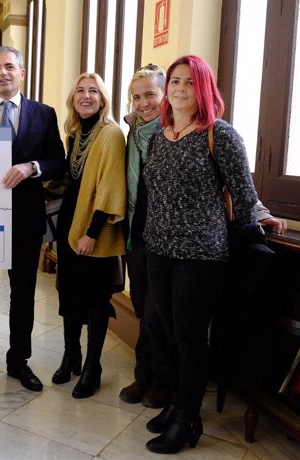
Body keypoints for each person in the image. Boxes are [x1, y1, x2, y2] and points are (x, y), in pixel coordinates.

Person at [141, 55, 258, 454]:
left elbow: (244, 196)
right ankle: (175, 404)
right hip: (158, 250)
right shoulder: (160, 135)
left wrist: (262, 218)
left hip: (200, 255)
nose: (179, 88)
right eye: (174, 81)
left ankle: (188, 420)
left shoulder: (219, 134)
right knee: (169, 334)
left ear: (204, 89)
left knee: (190, 339)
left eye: (190, 82)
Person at [0, 46, 65, 392]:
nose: (3, 73)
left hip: (25, 218)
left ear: (21, 73)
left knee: (23, 293)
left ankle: (19, 361)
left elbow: (56, 161)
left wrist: (32, 167)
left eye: (9, 67)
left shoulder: (44, 113)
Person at [51, 73, 126, 400]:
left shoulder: (110, 134)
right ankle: (71, 355)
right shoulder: (75, 134)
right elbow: (71, 180)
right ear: (73, 99)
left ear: (103, 99)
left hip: (97, 230)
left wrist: (92, 233)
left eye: (93, 91)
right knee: (69, 292)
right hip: (70, 224)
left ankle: (93, 366)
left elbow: (110, 186)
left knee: (96, 299)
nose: (85, 96)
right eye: (80, 90)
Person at [116, 64, 170, 408]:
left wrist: (261, 213)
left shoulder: (175, 132)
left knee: (158, 314)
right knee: (142, 310)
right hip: (135, 237)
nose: (143, 102)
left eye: (150, 94)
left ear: (164, 95)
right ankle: (144, 375)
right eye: (137, 96)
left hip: (165, 240)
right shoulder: (131, 134)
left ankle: (161, 382)